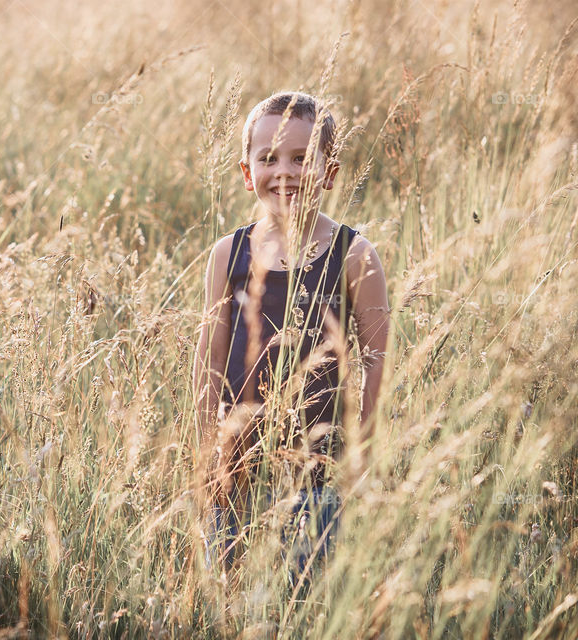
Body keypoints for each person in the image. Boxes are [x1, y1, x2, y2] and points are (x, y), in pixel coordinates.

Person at [193, 92, 390, 584]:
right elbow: (208, 363)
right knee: (239, 598)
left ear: (330, 171)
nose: (284, 172)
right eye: (269, 158)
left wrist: (360, 455)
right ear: (246, 172)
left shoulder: (352, 253)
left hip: (322, 476)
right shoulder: (228, 253)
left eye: (301, 158)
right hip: (239, 471)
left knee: (311, 597)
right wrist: (207, 456)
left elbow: (380, 359)